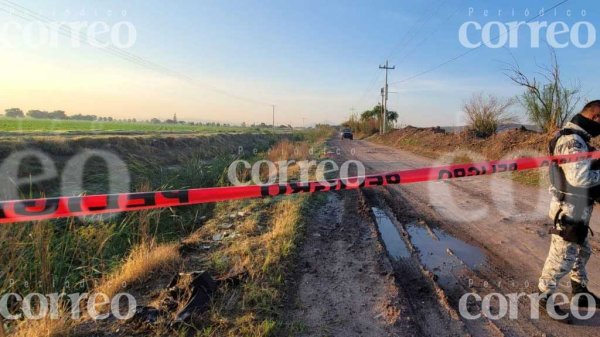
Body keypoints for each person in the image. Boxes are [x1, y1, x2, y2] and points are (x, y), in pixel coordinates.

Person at [538, 100, 600, 323]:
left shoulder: (579, 138)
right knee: (562, 256)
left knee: (581, 252)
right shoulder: (571, 140)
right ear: (595, 118)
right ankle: (544, 297)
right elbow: (578, 177)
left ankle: (580, 293)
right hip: (569, 209)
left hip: (579, 207)